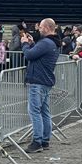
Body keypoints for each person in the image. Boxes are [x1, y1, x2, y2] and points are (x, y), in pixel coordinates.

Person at [21, 18, 61, 153]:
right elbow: (38, 54)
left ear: (48, 28)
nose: (39, 29)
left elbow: (29, 55)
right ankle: (45, 140)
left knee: (35, 111)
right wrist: (32, 44)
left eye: (41, 27)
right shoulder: (53, 43)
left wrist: (25, 44)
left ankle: (37, 141)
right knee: (44, 111)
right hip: (45, 80)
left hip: (37, 81)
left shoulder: (46, 42)